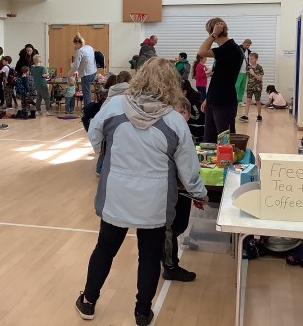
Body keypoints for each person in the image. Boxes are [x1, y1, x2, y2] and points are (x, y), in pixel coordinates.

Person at [76, 57, 207, 326]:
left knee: (105, 248)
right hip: (155, 200)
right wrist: (199, 192)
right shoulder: (174, 120)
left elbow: (94, 134)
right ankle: (143, 312)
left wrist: (103, 150)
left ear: (140, 76)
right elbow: (188, 166)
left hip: (116, 193)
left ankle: (88, 301)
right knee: (149, 254)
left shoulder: (114, 106)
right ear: (171, 83)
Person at [164, 96, 204, 282]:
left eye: (182, 112)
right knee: (171, 228)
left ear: (188, 115)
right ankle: (170, 266)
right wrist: (198, 192)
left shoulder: (188, 133)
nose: (179, 115)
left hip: (183, 189)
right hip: (172, 189)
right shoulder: (169, 134)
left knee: (181, 224)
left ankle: (167, 260)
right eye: (175, 111)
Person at [198, 18, 244, 142]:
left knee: (225, 142)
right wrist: (208, 98)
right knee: (209, 141)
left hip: (224, 103)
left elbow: (201, 52)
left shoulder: (230, 48)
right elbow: (219, 78)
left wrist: (214, 34)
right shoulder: (224, 49)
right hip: (214, 100)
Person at [67, 34, 97, 107]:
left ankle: (87, 110)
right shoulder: (89, 47)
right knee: (88, 92)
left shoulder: (80, 51)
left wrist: (69, 74)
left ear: (77, 43)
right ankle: (88, 108)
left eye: (75, 44)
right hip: (93, 72)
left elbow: (76, 65)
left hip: (86, 74)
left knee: (86, 93)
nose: (75, 46)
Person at [240, 52, 264, 122]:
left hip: (257, 87)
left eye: (252, 59)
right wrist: (246, 86)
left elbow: (260, 78)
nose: (250, 60)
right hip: (250, 86)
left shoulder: (259, 67)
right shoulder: (248, 67)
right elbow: (247, 77)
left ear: (256, 59)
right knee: (248, 100)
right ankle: (246, 116)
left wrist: (253, 73)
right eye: (249, 59)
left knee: (257, 101)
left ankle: (259, 115)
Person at [235, 39, 252, 105]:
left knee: (242, 87)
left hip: (245, 72)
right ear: (244, 43)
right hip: (238, 71)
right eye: (247, 45)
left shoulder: (248, 51)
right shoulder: (238, 49)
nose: (248, 46)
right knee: (236, 86)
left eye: (249, 45)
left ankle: (240, 100)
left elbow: (248, 60)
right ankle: (234, 100)